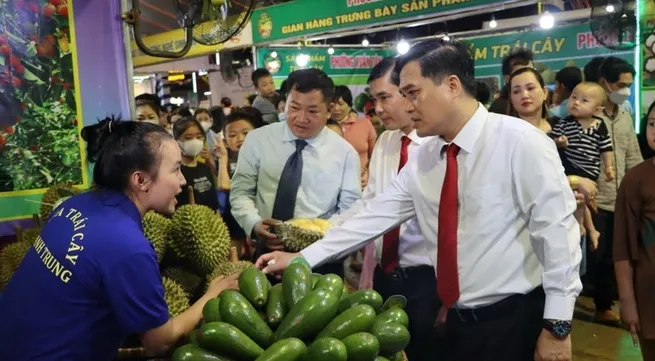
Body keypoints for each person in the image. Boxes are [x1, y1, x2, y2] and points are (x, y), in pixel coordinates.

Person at [256, 38, 581, 361]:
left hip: (514, 319)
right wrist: (301, 259)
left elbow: (557, 237)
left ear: (452, 85)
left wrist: (557, 326)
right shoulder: (427, 156)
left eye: (413, 93)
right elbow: (374, 216)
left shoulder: (521, 143)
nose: (408, 105)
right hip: (456, 319)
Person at [0, 118, 239, 360]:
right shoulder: (129, 247)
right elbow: (160, 342)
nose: (183, 180)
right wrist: (212, 295)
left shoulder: (73, 204)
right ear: (140, 180)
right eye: (175, 169)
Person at [329, 56, 442, 361]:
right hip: (385, 275)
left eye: (384, 98)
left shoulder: (439, 147)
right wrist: (329, 229)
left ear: (408, 93)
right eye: (373, 99)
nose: (377, 109)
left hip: (428, 281)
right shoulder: (386, 143)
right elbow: (372, 204)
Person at [230, 68, 362, 278]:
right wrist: (254, 224)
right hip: (267, 250)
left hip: (320, 259)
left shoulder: (344, 154)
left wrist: (318, 235)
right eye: (294, 107)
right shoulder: (258, 140)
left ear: (329, 110)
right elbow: (240, 192)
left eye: (312, 111)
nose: (301, 118)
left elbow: (351, 208)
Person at [591, 56, 643, 324]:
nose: (626, 90)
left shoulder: (625, 115)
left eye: (629, 85)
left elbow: (632, 154)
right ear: (604, 83)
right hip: (594, 200)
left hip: (620, 200)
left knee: (615, 256)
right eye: (621, 85)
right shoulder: (587, 116)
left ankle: (604, 306)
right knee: (594, 257)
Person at [550, 82, 615, 251]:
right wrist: (558, 142)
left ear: (598, 109)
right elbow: (550, 141)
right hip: (572, 167)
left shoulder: (599, 125)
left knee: (582, 199)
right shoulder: (565, 123)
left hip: (590, 170)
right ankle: (588, 229)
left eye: (584, 100)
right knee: (579, 198)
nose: (576, 102)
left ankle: (585, 227)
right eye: (574, 97)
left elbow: (606, 148)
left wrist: (609, 167)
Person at [613, 102, 655, 361]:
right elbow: (623, 246)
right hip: (651, 298)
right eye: (652, 124)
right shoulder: (635, 179)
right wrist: (627, 301)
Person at [216, 110, 261, 254]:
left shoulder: (263, 158)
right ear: (226, 141)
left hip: (256, 216)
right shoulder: (226, 160)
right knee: (233, 259)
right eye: (233, 135)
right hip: (232, 217)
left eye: (246, 133)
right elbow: (223, 185)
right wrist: (222, 158)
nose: (240, 139)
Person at [331, 85, 378, 188]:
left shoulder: (365, 124)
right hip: (333, 184)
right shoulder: (323, 127)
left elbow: (374, 156)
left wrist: (367, 173)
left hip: (363, 184)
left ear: (349, 105)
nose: (336, 108)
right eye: (333, 104)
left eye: (340, 104)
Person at [173, 117, 220, 211]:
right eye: (188, 138)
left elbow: (214, 204)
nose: (195, 141)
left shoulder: (205, 167)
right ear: (176, 141)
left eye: (199, 137)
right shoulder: (176, 172)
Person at [488, 48, 534, 114]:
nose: (527, 76)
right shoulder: (498, 110)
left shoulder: (538, 100)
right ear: (507, 79)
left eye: (532, 71)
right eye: (520, 73)